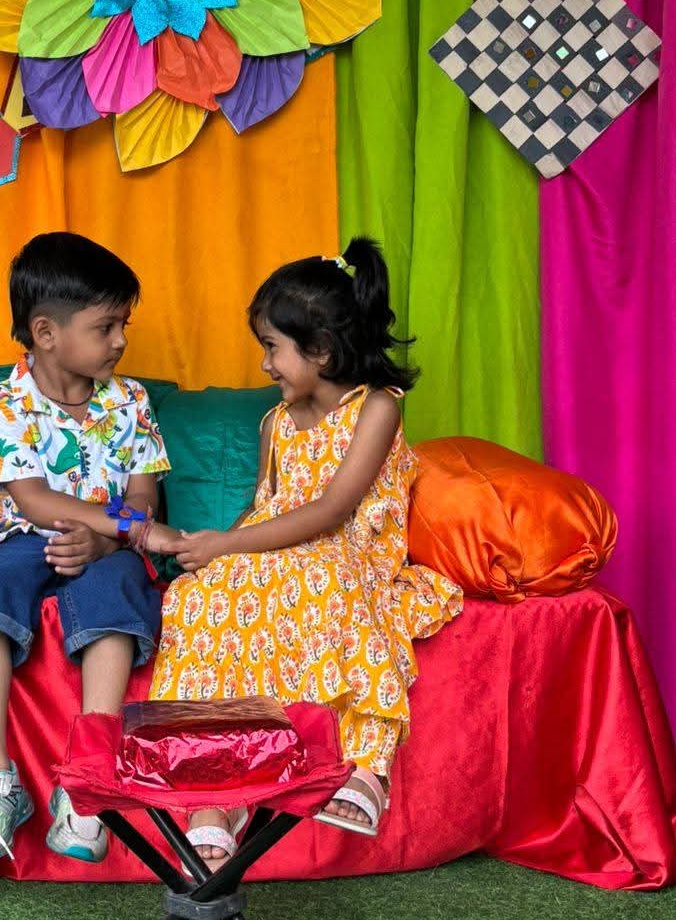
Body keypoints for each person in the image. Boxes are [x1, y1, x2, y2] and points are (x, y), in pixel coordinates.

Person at [151, 237, 463, 868]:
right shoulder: (275, 422)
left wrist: (227, 543)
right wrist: (212, 552)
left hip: (346, 552)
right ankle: (223, 784)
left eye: (273, 347)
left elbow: (329, 512)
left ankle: (366, 768)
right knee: (200, 595)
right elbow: (263, 508)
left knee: (321, 579)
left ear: (319, 350)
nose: (265, 364)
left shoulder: (376, 409)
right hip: (278, 549)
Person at [0, 232, 176, 867]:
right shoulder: (5, 403)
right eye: (106, 327)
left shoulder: (130, 402)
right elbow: (33, 501)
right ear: (46, 333)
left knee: (117, 590)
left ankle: (89, 782)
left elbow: (145, 500)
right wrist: (110, 520)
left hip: (110, 547)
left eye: (123, 324)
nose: (121, 340)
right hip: (25, 540)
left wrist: (107, 541)